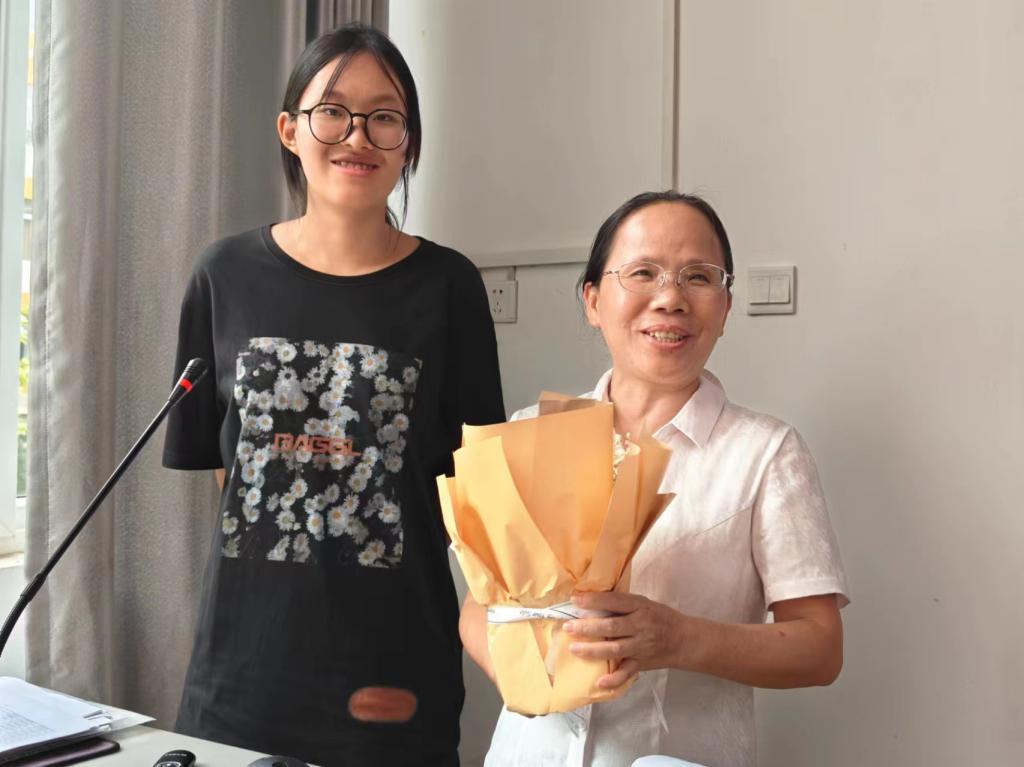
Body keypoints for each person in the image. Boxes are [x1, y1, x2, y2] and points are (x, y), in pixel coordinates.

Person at [162, 24, 504, 766]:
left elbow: (478, 486)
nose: (358, 135)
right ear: (290, 129)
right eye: (333, 112)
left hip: (393, 677)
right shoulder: (223, 276)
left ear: (408, 143)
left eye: (385, 116)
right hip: (241, 674)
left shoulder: (450, 287)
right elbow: (229, 472)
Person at [462, 191, 848, 767]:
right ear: (594, 300)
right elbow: (479, 606)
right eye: (643, 272)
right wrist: (522, 677)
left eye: (699, 276)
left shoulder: (766, 453)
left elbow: (819, 648)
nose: (670, 297)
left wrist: (680, 639)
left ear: (725, 306)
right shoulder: (530, 431)